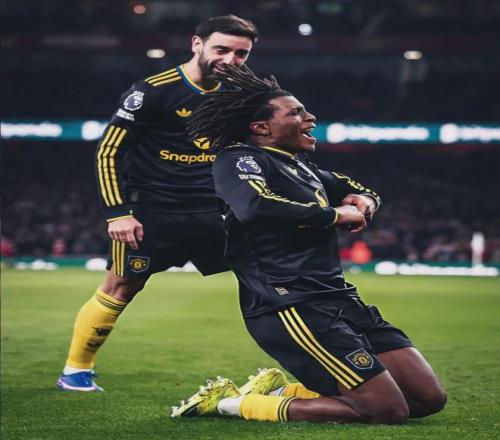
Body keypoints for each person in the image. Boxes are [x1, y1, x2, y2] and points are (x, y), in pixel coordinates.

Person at [171, 65, 447, 423]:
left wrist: (365, 202)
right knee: (387, 410)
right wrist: (334, 215)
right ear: (262, 128)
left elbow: (361, 190)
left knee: (428, 399)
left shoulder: (303, 167)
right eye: (296, 112)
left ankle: (277, 392)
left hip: (339, 297)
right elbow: (254, 206)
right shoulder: (238, 159)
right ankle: (227, 404)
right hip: (290, 303)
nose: (310, 117)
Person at [56, 15, 259, 392]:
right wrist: (117, 213)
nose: (230, 60)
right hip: (152, 211)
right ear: (196, 44)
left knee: (269, 279)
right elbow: (108, 151)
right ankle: (75, 371)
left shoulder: (242, 95)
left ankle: (310, 366)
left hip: (213, 211)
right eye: (221, 49)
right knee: (121, 287)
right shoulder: (153, 91)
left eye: (240, 53)